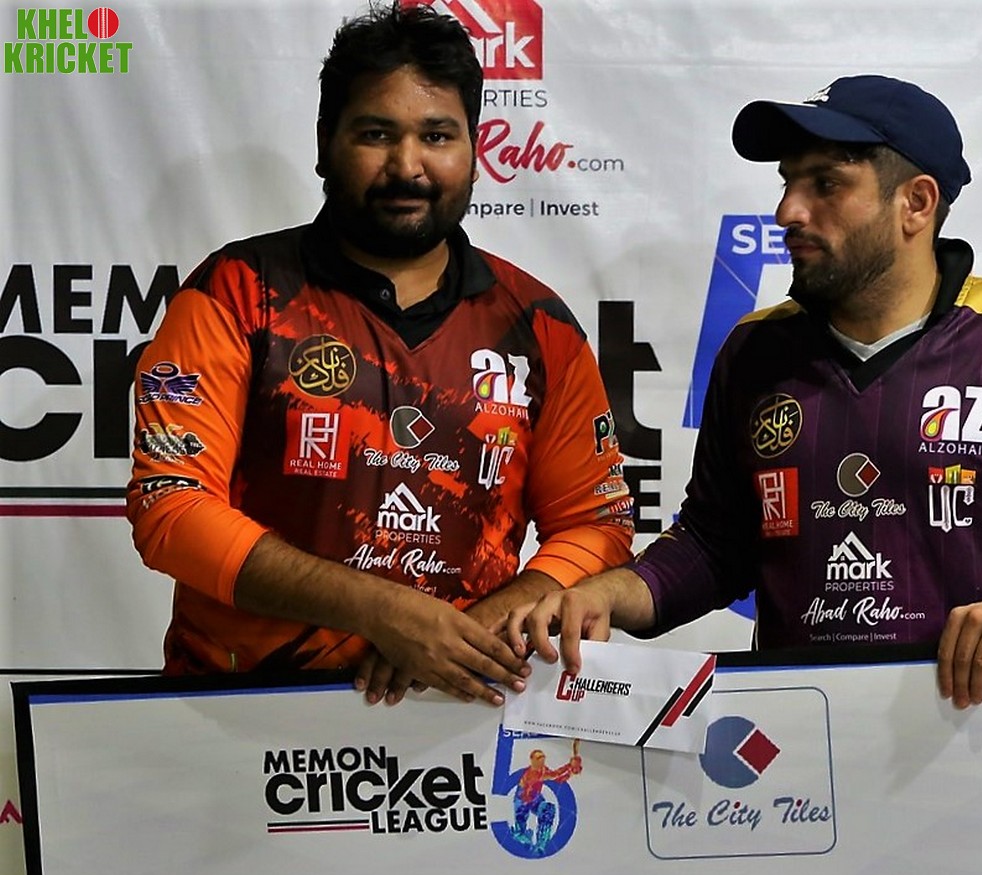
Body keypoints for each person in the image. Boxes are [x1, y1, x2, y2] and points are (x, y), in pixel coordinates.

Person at [510, 75, 982, 708]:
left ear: (915, 203)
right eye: (788, 182)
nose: (788, 210)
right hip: (802, 742)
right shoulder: (755, 351)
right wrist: (610, 593)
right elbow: (715, 546)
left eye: (826, 184)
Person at [126, 2, 633, 706]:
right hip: (243, 712)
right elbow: (172, 507)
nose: (407, 166)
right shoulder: (236, 293)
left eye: (437, 136)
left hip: (460, 710)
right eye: (375, 134)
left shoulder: (538, 325)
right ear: (325, 142)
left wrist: (476, 627)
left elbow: (595, 523)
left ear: (474, 151)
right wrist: (382, 612)